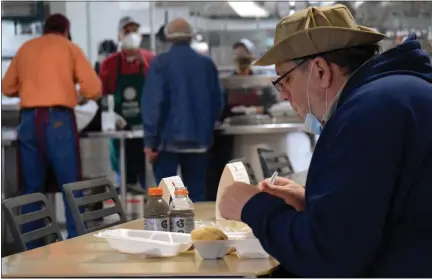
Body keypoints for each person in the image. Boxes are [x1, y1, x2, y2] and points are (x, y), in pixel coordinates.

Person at [218, 4, 432, 277]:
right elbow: (378, 213)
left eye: (284, 80)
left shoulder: (365, 113)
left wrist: (251, 206)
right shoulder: (398, 95)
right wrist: (314, 204)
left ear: (320, 70)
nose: (283, 95)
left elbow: (327, 256)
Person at [1, 13, 101, 246]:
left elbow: (6, 87)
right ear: (66, 30)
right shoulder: (69, 47)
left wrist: (30, 89)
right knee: (70, 185)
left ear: (44, 29)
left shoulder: (26, 48)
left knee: (31, 189)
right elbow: (93, 89)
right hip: (58, 121)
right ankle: (76, 244)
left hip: (28, 121)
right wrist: (74, 91)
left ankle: (31, 248)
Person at [141, 18, 224, 202]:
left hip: (166, 143)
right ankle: (198, 231)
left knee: (166, 198)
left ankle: (170, 231)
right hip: (200, 142)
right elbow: (218, 102)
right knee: (197, 198)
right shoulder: (206, 64)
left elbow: (153, 104)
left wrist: (150, 141)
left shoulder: (160, 63)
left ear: (168, 38)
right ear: (191, 37)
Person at [205, 39, 277, 201]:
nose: (241, 58)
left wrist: (259, 110)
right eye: (238, 55)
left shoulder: (260, 81)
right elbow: (220, 108)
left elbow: (271, 104)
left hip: (258, 130)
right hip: (231, 134)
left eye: (244, 54)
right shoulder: (228, 83)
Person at [99, 16, 154, 191]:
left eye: (134, 31)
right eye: (126, 31)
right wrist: (111, 118)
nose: (131, 35)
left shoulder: (151, 60)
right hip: (120, 130)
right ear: (119, 36)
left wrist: (143, 63)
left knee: (150, 183)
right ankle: (126, 215)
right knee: (123, 180)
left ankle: (153, 214)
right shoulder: (109, 63)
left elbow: (158, 90)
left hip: (146, 130)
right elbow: (103, 95)